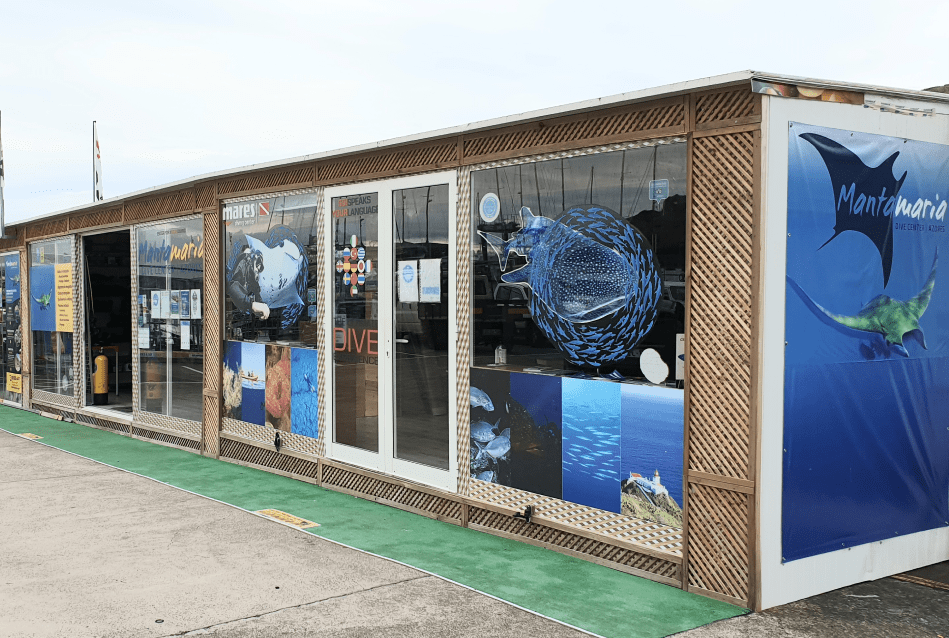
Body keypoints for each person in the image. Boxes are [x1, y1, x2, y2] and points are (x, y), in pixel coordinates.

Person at [227, 246, 270, 320]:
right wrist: (252, 305)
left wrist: (258, 305)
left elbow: (257, 293)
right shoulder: (239, 271)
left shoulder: (253, 282)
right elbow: (232, 286)